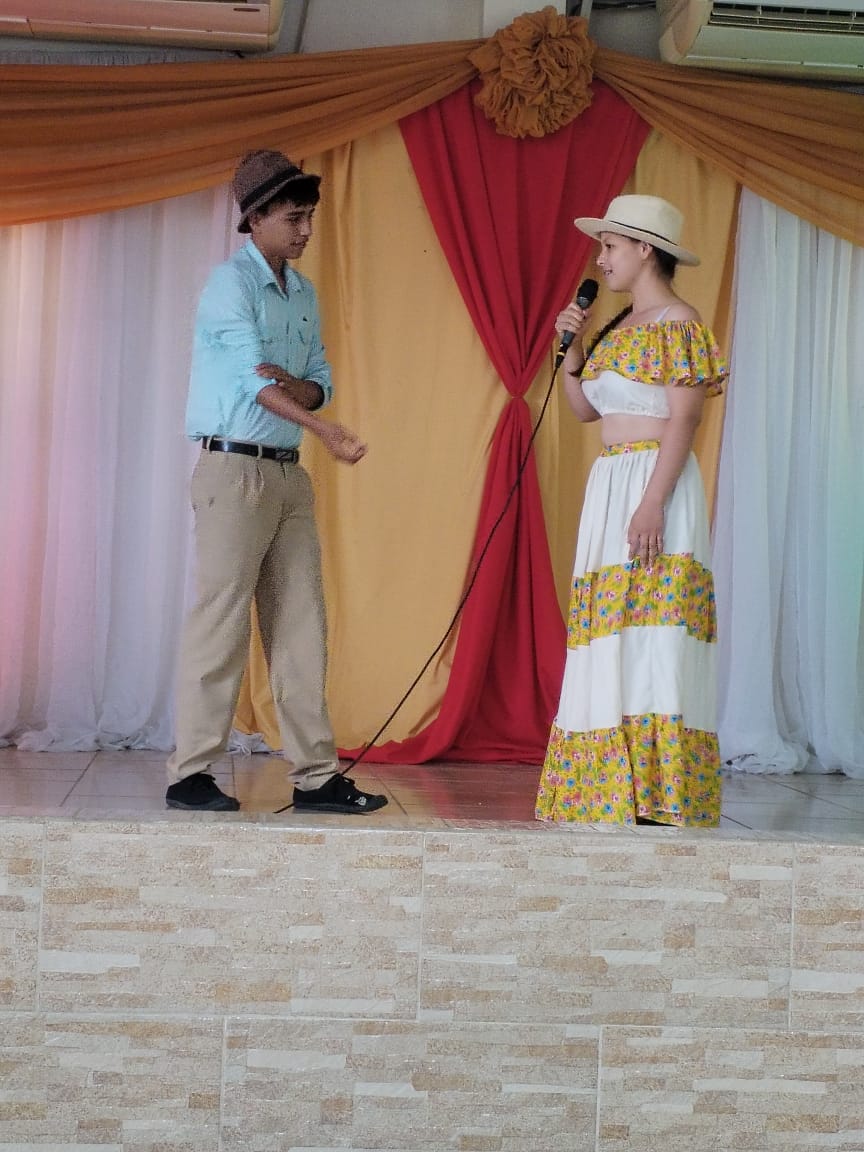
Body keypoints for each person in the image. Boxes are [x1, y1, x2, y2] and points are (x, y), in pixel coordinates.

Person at [165, 148, 387, 815]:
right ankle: (189, 774)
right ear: (256, 217)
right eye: (294, 218)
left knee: (301, 623)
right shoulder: (228, 286)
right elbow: (252, 382)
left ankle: (316, 777)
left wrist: (303, 396)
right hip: (232, 472)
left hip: (288, 475)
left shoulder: (303, 293)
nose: (306, 231)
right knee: (222, 622)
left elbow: (318, 379)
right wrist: (322, 427)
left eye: (310, 217)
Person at [535, 195, 728, 827]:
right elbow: (586, 409)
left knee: (653, 629)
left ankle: (659, 791)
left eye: (610, 246)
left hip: (653, 480)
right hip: (612, 479)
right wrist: (572, 348)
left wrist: (652, 503)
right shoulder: (620, 324)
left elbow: (685, 419)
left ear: (645, 249)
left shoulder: (678, 321)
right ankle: (611, 789)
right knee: (612, 626)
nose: (601, 259)